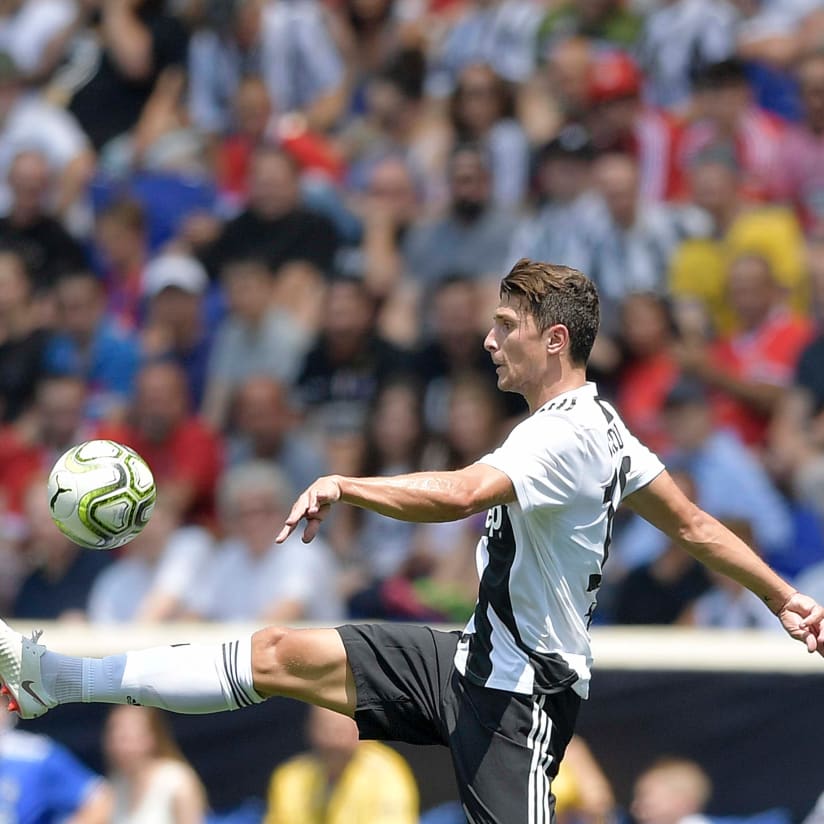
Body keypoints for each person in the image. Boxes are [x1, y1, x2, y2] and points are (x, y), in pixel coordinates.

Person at [1, 260, 823, 824]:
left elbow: (462, 492)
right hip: (471, 661)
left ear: (555, 339)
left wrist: (350, 484)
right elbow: (696, 525)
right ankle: (54, 678)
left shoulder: (565, 435)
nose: (490, 340)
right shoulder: (604, 429)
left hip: (519, 701)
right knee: (277, 652)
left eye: (506, 326)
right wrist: (786, 597)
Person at [264, 705, 418, 824]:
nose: (332, 740)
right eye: (325, 728)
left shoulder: (386, 773)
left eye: (340, 729)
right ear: (311, 729)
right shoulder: (290, 777)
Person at [91, 705, 207, 824]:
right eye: (113, 735)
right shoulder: (114, 784)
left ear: (152, 736)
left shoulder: (178, 780)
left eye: (125, 737)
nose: (117, 745)